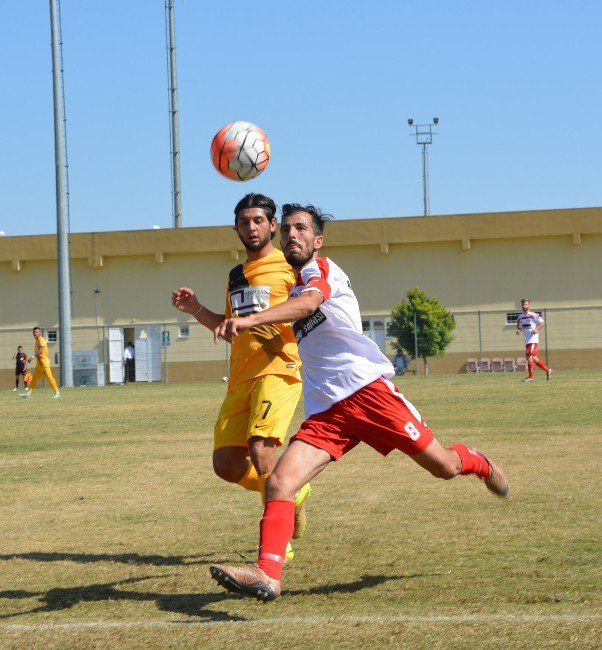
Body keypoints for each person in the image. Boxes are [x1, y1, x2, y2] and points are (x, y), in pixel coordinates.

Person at [209, 203, 509, 601]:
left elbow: (309, 303)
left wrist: (251, 319)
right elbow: (281, 312)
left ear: (318, 240)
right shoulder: (289, 289)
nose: (291, 235)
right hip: (328, 412)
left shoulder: (323, 271)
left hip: (369, 394)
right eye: (287, 230)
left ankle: (477, 460)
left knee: (444, 467)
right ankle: (268, 575)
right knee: (280, 481)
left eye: (301, 229)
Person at [171, 193, 311, 559]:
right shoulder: (236, 275)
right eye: (244, 222)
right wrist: (196, 309)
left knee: (262, 447)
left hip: (279, 368)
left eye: (258, 221)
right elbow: (228, 325)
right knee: (227, 465)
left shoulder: (289, 266)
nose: (251, 227)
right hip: (240, 376)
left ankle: (277, 541)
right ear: (235, 229)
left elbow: (306, 306)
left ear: (271, 226)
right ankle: (290, 489)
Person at [516, 298, 552, 382]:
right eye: (523, 304)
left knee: (529, 357)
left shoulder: (533, 314)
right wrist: (518, 331)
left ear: (529, 305)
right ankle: (548, 370)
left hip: (533, 339)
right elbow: (520, 327)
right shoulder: (520, 317)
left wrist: (536, 329)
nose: (524, 306)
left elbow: (542, 323)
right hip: (527, 340)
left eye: (526, 304)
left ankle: (531, 377)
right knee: (534, 358)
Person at [19, 327, 60, 399]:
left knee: (49, 377)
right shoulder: (36, 342)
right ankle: (28, 394)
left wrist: (32, 357)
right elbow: (38, 352)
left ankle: (57, 393)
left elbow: (40, 350)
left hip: (45, 363)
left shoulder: (41, 339)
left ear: (39, 333)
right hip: (39, 364)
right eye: (34, 332)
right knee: (34, 378)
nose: (35, 333)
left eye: (36, 332)